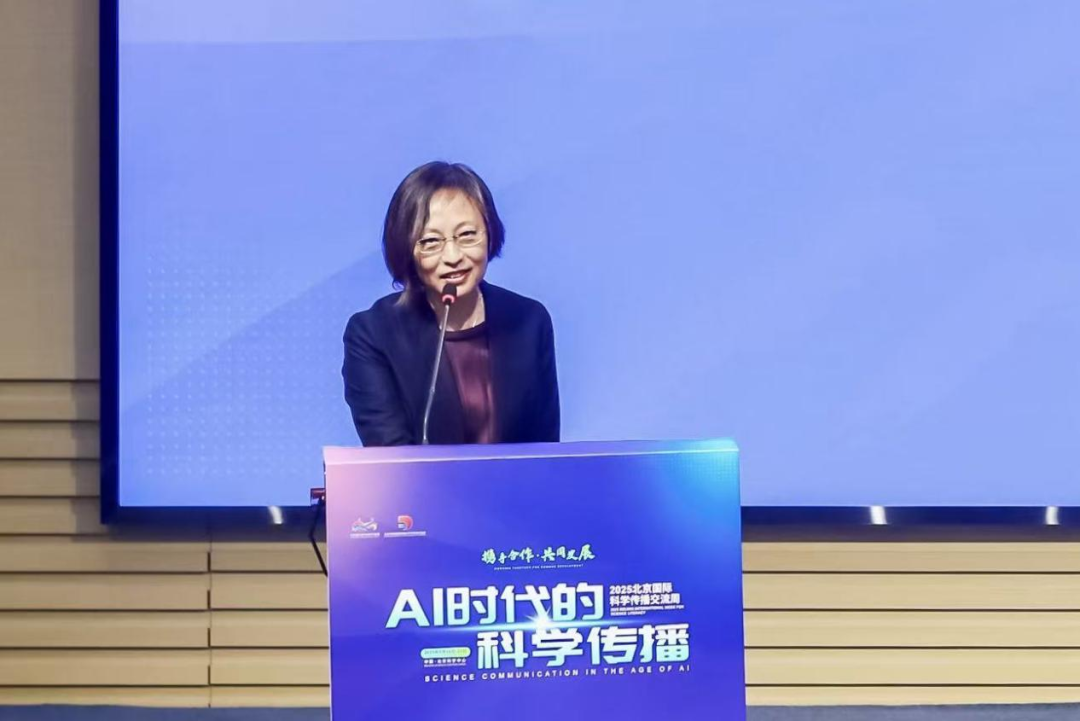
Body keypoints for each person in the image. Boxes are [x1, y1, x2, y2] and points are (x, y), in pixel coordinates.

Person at [342, 161, 560, 447]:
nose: (453, 256)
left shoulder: (529, 321)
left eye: (467, 235)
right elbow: (391, 454)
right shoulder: (374, 333)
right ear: (406, 248)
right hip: (417, 479)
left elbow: (545, 451)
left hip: (520, 480)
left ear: (490, 233)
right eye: (431, 241)